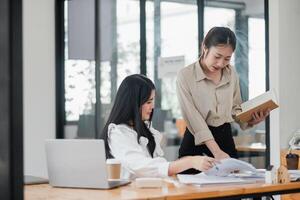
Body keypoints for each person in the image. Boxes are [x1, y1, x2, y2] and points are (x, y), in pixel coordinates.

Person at [176, 27, 269, 174]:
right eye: (217, 56)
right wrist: (216, 151)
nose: (220, 63)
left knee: (233, 189)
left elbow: (235, 108)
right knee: (189, 188)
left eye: (227, 58)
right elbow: (193, 118)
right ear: (204, 47)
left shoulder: (231, 73)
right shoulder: (186, 76)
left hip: (224, 136)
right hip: (196, 137)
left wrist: (251, 120)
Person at [100, 74, 216, 179]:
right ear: (133, 103)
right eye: (148, 102)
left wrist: (191, 162)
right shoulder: (118, 133)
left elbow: (157, 167)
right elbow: (142, 167)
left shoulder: (146, 130)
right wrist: (190, 162)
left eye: (153, 101)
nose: (152, 107)